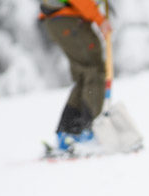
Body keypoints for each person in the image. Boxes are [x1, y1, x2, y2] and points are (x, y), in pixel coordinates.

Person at [39, 0, 112, 150]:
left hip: (60, 19)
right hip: (67, 19)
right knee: (94, 70)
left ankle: (67, 133)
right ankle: (89, 131)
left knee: (84, 76)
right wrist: (100, 20)